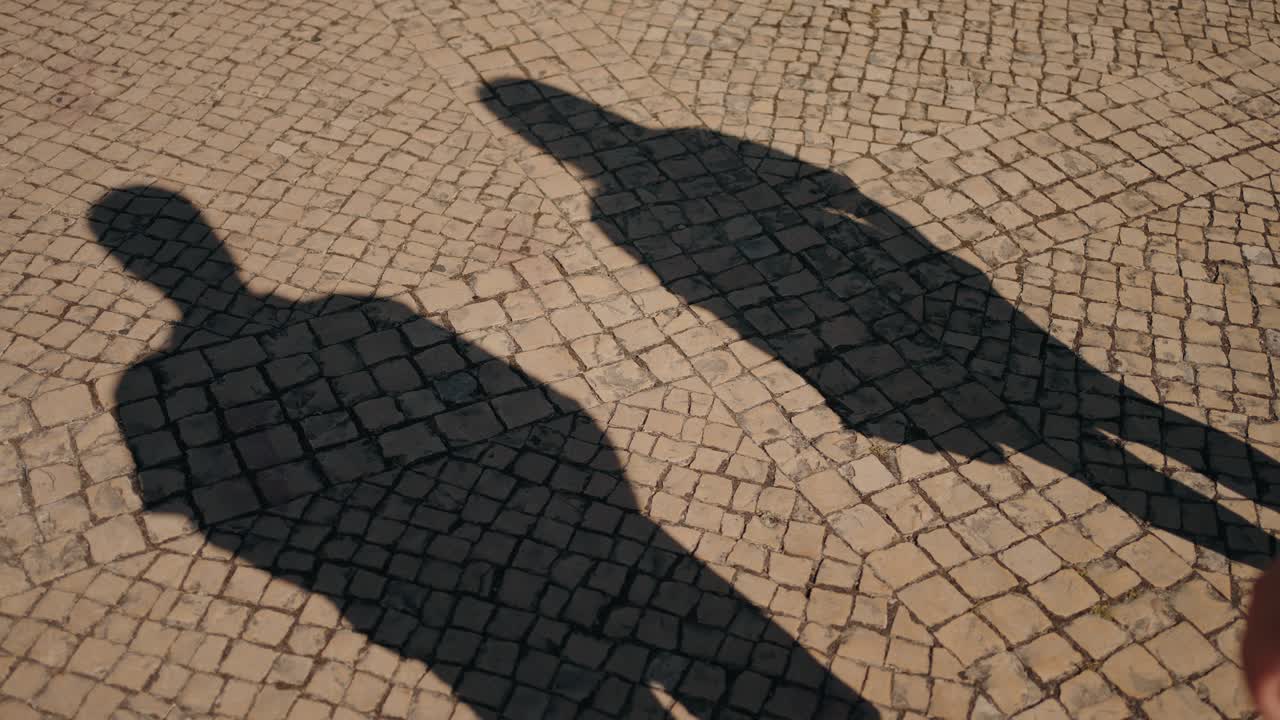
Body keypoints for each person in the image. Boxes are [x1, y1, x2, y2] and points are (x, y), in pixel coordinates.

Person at [91, 185, 871, 719]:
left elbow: (223, 520)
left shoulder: (153, 387)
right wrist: (602, 509)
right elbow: (555, 412)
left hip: (447, 594)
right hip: (582, 551)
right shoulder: (356, 317)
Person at [483, 78, 1278, 572]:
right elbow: (840, 192)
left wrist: (831, 375)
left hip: (884, 323)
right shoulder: (667, 163)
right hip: (938, 290)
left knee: (1092, 450)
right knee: (1119, 407)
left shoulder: (615, 210)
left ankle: (1254, 550)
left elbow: (727, 303)